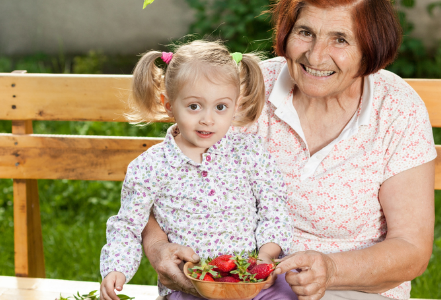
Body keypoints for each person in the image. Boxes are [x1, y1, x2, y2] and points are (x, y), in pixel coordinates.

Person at [140, 1, 437, 299]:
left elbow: (411, 247)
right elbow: (162, 186)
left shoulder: (397, 108)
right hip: (234, 284)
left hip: (349, 289)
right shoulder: (246, 89)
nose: (316, 55)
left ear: (371, 47)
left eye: (340, 39)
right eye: (305, 32)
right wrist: (158, 249)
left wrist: (331, 270)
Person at [99, 40, 294, 300]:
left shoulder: (250, 152)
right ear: (168, 104)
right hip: (191, 283)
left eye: (221, 107)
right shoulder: (150, 167)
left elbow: (274, 205)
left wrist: (266, 256)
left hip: (250, 279)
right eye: (194, 106)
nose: (207, 119)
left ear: (236, 105)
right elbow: (128, 224)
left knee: (287, 295)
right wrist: (116, 269)